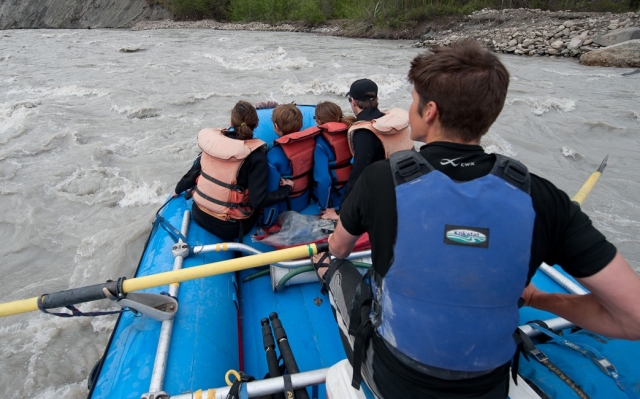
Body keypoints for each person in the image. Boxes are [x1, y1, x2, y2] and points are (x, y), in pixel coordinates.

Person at [314, 41, 640, 399]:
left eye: (413, 99)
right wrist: (535, 297)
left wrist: (331, 255)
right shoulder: (543, 198)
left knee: (331, 264)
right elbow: (632, 318)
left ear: (431, 111)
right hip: (488, 385)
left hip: (397, 379)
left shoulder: (378, 180)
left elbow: (340, 246)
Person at [173, 100, 293, 242]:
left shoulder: (213, 144)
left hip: (199, 214)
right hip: (231, 227)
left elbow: (192, 174)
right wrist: (286, 189)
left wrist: (177, 190)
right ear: (256, 124)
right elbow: (258, 201)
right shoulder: (256, 156)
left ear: (231, 122)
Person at [321, 79, 414, 220]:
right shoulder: (391, 123)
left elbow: (358, 174)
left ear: (352, 101)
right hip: (407, 186)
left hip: (387, 196)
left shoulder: (364, 131)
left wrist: (342, 213)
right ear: (377, 99)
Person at [261, 104, 320, 227]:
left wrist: (267, 224)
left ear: (276, 127)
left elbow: (271, 195)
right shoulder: (313, 143)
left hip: (285, 209)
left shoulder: (273, 156)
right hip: (305, 200)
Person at [312, 101, 356, 211]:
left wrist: (323, 207)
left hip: (334, 199)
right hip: (352, 193)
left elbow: (324, 180)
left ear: (319, 121)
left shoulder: (321, 144)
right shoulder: (351, 133)